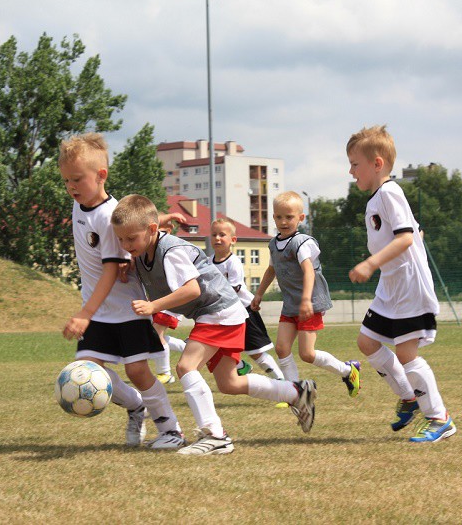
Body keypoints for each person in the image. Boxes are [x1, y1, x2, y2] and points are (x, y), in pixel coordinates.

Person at [111, 194, 317, 456]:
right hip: (223, 312)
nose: (125, 245)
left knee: (186, 366)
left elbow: (192, 290)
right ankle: (295, 392)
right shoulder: (142, 252)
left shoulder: (171, 251)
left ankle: (215, 436)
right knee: (229, 383)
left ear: (152, 230)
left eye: (130, 239)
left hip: (218, 311)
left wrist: (154, 306)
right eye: (120, 239)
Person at [59, 132, 185, 450]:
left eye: (77, 180)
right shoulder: (80, 205)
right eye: (66, 181)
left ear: (101, 175)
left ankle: (171, 429)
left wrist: (84, 314)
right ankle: (135, 406)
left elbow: (112, 268)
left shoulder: (108, 215)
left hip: (127, 308)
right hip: (97, 309)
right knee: (87, 370)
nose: (71, 187)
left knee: (138, 371)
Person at [347, 124, 456, 443]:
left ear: (376, 164)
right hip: (390, 288)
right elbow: (415, 232)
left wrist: (370, 263)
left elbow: (405, 237)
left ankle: (440, 417)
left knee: (407, 353)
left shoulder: (390, 192)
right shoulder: (381, 197)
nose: (351, 171)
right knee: (367, 342)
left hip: (408, 288)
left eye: (355, 164)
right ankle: (409, 396)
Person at [251, 192, 361, 399]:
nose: (283, 222)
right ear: (273, 217)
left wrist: (305, 300)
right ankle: (295, 393)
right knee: (282, 348)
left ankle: (348, 371)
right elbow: (271, 270)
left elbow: (309, 271)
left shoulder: (302, 242)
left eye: (289, 217)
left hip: (308, 304)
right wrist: (258, 294)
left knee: (307, 354)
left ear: (300, 218)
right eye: (279, 217)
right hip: (290, 305)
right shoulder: (273, 244)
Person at [210, 217, 284, 380]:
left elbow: (232, 290)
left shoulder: (233, 262)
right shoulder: (209, 263)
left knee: (257, 353)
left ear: (233, 240)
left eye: (222, 234)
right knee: (212, 345)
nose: (217, 238)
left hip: (244, 312)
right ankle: (241, 367)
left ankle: (282, 383)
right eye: (214, 234)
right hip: (223, 314)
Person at [152, 310, 186, 384]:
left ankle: (165, 374)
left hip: (168, 307)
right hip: (156, 304)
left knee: (156, 336)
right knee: (151, 336)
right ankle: (192, 348)